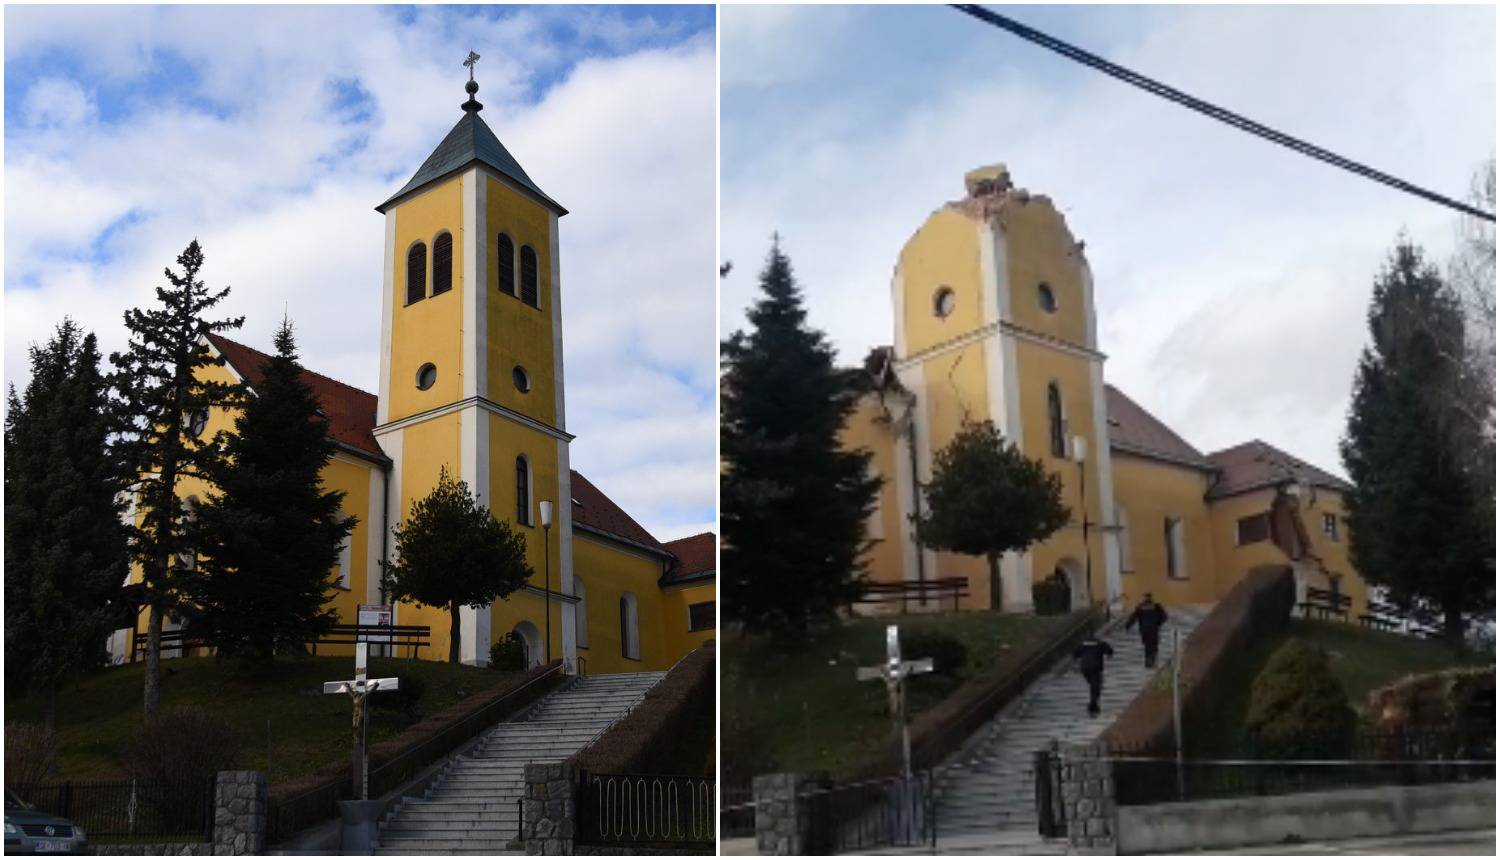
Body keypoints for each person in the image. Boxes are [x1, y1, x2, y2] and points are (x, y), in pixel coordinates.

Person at [1073, 633, 1114, 717]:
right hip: (1095, 667)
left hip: (1085, 668)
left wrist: (1077, 660)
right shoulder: (1100, 643)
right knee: (1096, 684)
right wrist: (1109, 655)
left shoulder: (1083, 644)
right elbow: (1110, 650)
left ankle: (1094, 702)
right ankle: (1093, 703)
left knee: (1093, 684)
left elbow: (1075, 654)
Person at [1125, 592, 1170, 668]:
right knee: (1154, 645)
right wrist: (1159, 623)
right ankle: (1152, 660)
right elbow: (1164, 617)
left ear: (1144, 598)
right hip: (1154, 629)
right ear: (1151, 598)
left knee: (1147, 646)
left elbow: (1133, 617)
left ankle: (1148, 661)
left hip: (1145, 630)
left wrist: (1127, 626)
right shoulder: (1157, 606)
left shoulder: (1141, 607)